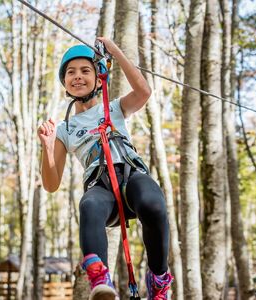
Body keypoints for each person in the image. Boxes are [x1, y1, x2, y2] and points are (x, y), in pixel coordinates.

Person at [37, 37, 173, 300]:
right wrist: (47, 145)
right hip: (101, 187)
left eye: (85, 70)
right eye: (71, 72)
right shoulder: (65, 129)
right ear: (64, 81)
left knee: (153, 204)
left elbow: (144, 92)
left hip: (131, 175)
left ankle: (158, 280)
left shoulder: (115, 108)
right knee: (88, 205)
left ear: (99, 78)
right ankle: (101, 281)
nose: (77, 76)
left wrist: (115, 52)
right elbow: (51, 184)